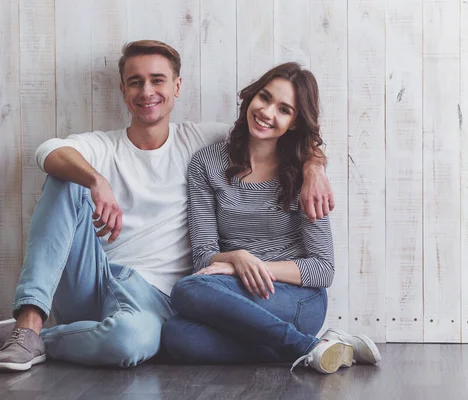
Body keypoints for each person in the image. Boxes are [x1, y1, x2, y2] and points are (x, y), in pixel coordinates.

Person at [0, 40, 334, 372]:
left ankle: (31, 339)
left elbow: (275, 139)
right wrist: (95, 179)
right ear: (123, 90)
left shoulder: (203, 141)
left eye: (157, 80)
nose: (147, 92)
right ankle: (28, 322)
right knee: (64, 176)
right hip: (92, 279)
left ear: (177, 87)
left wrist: (314, 165)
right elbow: (48, 150)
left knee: (136, 341)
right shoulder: (127, 149)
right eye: (136, 82)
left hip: (153, 297)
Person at [160, 62, 381, 374]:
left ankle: (309, 345)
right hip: (231, 294)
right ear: (252, 97)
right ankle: (312, 347)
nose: (267, 112)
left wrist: (258, 267)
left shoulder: (304, 172)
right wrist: (238, 258)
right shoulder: (206, 163)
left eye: (284, 109)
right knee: (176, 335)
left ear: (293, 122)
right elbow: (203, 257)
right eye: (264, 98)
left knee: (185, 290)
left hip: (297, 300)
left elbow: (323, 268)